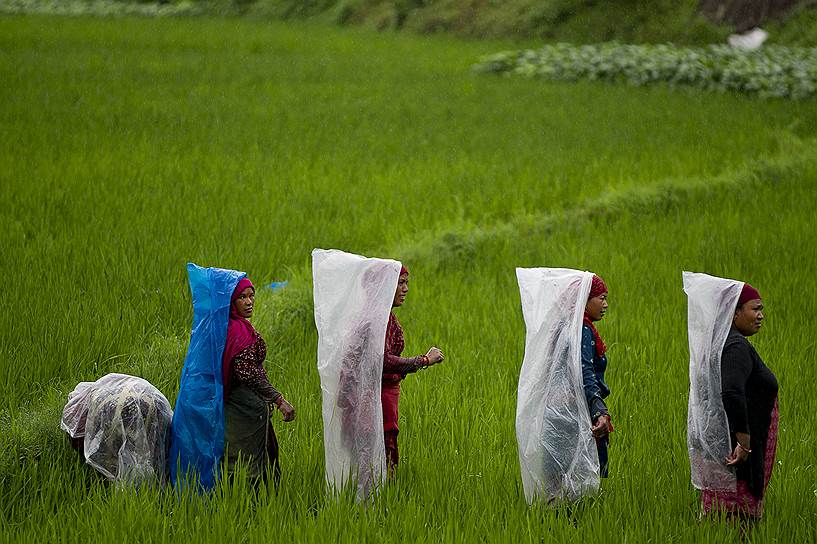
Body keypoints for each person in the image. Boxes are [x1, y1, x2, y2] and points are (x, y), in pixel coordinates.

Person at [702, 283, 778, 519]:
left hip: (733, 443)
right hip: (739, 449)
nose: (760, 315)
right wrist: (744, 442)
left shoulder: (727, 342)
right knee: (737, 516)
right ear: (735, 313)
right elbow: (732, 393)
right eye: (755, 309)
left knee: (727, 516)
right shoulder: (735, 346)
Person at [221, 277, 296, 483]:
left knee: (260, 456)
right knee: (248, 463)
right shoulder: (236, 331)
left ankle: (262, 503)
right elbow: (249, 374)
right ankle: (251, 507)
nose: (249, 302)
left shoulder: (240, 326)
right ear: (231, 302)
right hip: (242, 411)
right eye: (242, 297)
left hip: (251, 408)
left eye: (251, 296)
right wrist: (279, 400)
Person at [381, 265, 444, 472]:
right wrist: (424, 360)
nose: (406, 289)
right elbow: (384, 360)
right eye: (401, 283)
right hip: (378, 395)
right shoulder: (379, 320)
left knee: (383, 444)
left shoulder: (385, 317)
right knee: (384, 446)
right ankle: (380, 498)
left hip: (385, 394)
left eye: (406, 282)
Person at [581, 274, 613, 477]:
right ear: (585, 299)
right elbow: (586, 371)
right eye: (601, 298)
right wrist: (599, 412)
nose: (606, 304)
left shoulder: (568, 326)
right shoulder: (583, 330)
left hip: (562, 410)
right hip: (580, 411)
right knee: (583, 481)